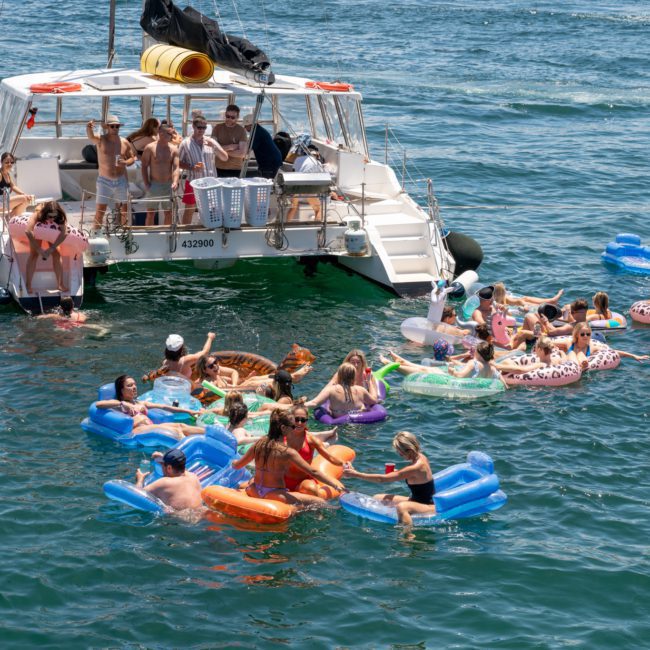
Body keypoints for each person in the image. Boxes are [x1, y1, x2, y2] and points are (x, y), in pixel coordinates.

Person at [230, 409, 344, 504]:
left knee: (246, 484)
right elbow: (313, 472)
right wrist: (334, 485)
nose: (295, 427)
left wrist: (233, 462)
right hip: (274, 494)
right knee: (321, 503)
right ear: (284, 428)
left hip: (254, 490)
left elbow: (237, 465)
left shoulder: (259, 444)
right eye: (292, 425)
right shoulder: (287, 452)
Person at [343, 431, 436, 526]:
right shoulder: (420, 457)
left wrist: (357, 474)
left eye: (401, 454)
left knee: (402, 507)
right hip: (415, 499)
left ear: (410, 451)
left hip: (428, 505)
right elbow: (413, 475)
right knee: (377, 498)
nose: (400, 455)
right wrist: (397, 473)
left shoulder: (416, 466)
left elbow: (382, 479)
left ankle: (408, 536)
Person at [96, 375, 205, 440]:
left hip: (151, 427)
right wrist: (122, 404)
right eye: (129, 386)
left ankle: (212, 432)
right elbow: (99, 404)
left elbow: (164, 407)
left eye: (134, 384)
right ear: (121, 390)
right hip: (138, 430)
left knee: (181, 425)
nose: (134, 387)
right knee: (176, 430)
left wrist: (189, 411)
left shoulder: (140, 403)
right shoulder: (119, 403)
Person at [86, 115, 136, 232]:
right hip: (104, 181)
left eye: (117, 126)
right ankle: (95, 235)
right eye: (112, 126)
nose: (115, 128)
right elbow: (91, 137)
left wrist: (125, 162)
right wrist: (89, 128)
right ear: (107, 127)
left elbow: (132, 158)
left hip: (120, 180)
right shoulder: (101, 139)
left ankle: (124, 235)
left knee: (124, 210)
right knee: (100, 210)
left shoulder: (124, 142)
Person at [178, 115, 228, 225]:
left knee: (213, 209)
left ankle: (209, 229)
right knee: (189, 209)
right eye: (199, 127)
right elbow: (178, 163)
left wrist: (214, 147)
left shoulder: (211, 142)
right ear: (193, 127)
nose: (201, 130)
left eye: (204, 128)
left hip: (211, 183)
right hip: (193, 182)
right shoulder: (185, 143)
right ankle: (185, 233)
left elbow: (225, 157)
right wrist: (192, 167)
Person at [282, 405, 342, 493]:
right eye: (296, 419)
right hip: (282, 480)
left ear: (306, 421)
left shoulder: (311, 440)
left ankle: (330, 437)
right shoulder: (281, 437)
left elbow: (330, 458)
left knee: (311, 489)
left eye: (303, 420)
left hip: (303, 480)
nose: (299, 423)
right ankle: (328, 435)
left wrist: (343, 465)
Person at [135, 448, 203, 511]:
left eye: (163, 465)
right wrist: (164, 459)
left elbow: (137, 497)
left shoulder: (164, 482)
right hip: (199, 517)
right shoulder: (193, 476)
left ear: (169, 468)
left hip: (181, 522)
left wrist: (140, 479)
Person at [24, 201, 68, 294]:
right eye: (50, 216)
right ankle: (28, 285)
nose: (52, 219)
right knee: (34, 254)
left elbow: (64, 233)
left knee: (57, 253)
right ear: (45, 214)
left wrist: (52, 248)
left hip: (51, 231)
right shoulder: (38, 214)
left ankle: (60, 283)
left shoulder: (60, 216)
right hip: (38, 230)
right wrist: (38, 249)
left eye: (54, 216)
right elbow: (28, 231)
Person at [141, 123, 180, 226]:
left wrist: (175, 181)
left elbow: (176, 168)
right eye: (170, 133)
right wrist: (146, 183)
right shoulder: (150, 148)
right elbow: (144, 166)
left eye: (172, 134)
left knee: (168, 213)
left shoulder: (174, 149)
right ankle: (149, 235)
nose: (172, 136)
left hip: (168, 185)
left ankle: (166, 235)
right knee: (150, 213)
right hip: (154, 185)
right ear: (161, 133)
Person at [305, 362, 377, 417]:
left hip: (338, 422)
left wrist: (297, 406)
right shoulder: (361, 390)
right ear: (354, 376)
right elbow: (374, 401)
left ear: (339, 375)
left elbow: (314, 403)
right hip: (358, 422)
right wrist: (369, 381)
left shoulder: (331, 389)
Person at [285, 144, 326, 222]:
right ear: (317, 155)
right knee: (318, 209)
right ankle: (317, 228)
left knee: (293, 208)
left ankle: (287, 226)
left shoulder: (298, 159)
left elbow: (293, 173)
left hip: (296, 189)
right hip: (308, 189)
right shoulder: (318, 163)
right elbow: (322, 179)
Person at [242, 113, 283, 179]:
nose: (245, 128)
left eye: (246, 126)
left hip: (270, 162)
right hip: (272, 160)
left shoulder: (256, 133)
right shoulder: (257, 130)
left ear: (251, 125)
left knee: (267, 180)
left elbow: (248, 149)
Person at [212, 104, 248, 178]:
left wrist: (221, 152)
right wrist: (230, 147)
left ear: (237, 117)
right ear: (225, 114)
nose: (229, 119)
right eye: (227, 116)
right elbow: (213, 148)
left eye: (232, 117)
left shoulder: (241, 130)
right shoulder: (217, 128)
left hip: (236, 169)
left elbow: (242, 154)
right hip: (218, 168)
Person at [0, 152, 34, 216]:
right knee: (24, 199)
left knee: (27, 199)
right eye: (7, 162)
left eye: (11, 162)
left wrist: (24, 194)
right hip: (1, 202)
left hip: (4, 201)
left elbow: (13, 187)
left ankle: (10, 218)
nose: (9, 164)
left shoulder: (7, 174)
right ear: (1, 162)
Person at [492, 282, 564, 311]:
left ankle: (552, 302)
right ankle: (552, 301)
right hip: (518, 303)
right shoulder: (499, 300)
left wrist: (525, 305)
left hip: (520, 304)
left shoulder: (505, 299)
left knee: (528, 302)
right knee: (526, 298)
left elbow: (518, 301)